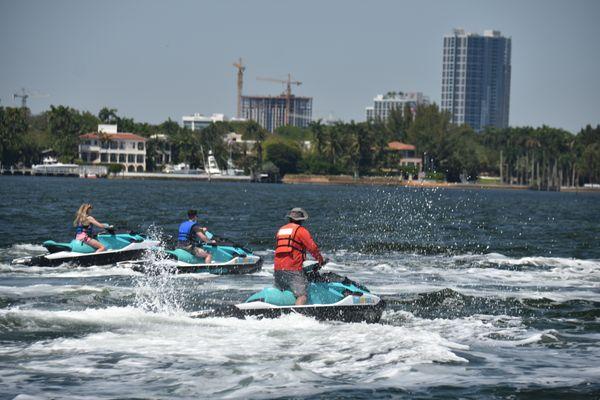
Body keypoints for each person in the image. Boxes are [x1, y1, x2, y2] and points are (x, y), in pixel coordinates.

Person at [274, 207, 324, 305]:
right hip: (292, 269)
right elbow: (312, 248)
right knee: (302, 295)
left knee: (284, 293)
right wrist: (320, 260)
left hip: (278, 268)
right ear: (301, 220)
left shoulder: (281, 230)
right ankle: (297, 317)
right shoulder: (300, 230)